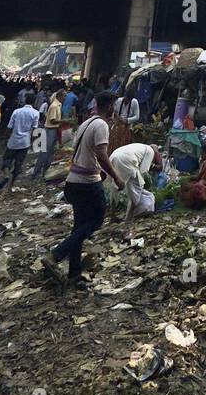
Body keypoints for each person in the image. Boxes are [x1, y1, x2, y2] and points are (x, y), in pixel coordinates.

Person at [42, 92, 122, 290]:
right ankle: (56, 254)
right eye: (114, 105)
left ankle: (74, 273)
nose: (115, 110)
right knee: (96, 220)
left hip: (73, 181)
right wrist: (115, 177)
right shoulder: (101, 125)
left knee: (79, 227)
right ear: (110, 106)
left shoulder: (87, 122)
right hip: (87, 183)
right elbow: (102, 154)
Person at [0, 95, 42, 192]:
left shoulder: (16, 111)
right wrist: (32, 141)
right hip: (25, 142)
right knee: (18, 164)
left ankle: (6, 175)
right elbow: (35, 129)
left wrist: (5, 138)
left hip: (14, 140)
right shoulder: (36, 113)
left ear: (25, 100)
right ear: (33, 102)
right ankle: (11, 185)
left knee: (7, 160)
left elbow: (9, 126)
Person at [109, 142, 161, 220]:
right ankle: (128, 218)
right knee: (136, 190)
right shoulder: (150, 151)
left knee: (115, 188)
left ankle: (112, 216)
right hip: (126, 160)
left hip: (113, 157)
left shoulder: (140, 147)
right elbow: (143, 171)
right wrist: (143, 184)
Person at [33, 88, 65, 180]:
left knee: (49, 153)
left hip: (53, 130)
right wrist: (65, 121)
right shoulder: (54, 106)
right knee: (44, 153)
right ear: (59, 96)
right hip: (49, 130)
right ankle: (37, 173)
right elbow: (53, 120)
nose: (65, 97)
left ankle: (43, 173)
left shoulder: (58, 105)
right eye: (64, 95)